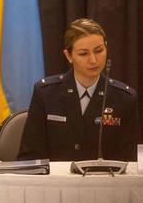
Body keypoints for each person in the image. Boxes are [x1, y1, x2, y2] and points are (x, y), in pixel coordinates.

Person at [18, 18, 139, 161]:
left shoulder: (125, 98)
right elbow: (30, 157)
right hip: (56, 182)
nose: (93, 60)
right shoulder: (45, 93)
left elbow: (130, 161)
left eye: (99, 51)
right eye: (83, 53)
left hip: (104, 182)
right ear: (69, 56)